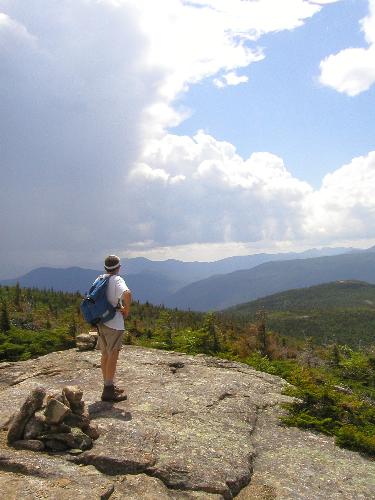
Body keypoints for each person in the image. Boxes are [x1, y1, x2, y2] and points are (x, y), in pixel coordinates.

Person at [95, 254, 132, 402]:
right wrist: (126, 309)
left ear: (105, 267)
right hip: (114, 323)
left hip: (100, 321)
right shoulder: (117, 279)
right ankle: (108, 390)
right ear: (118, 267)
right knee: (113, 354)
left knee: (105, 354)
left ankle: (107, 385)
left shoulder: (99, 279)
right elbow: (127, 294)